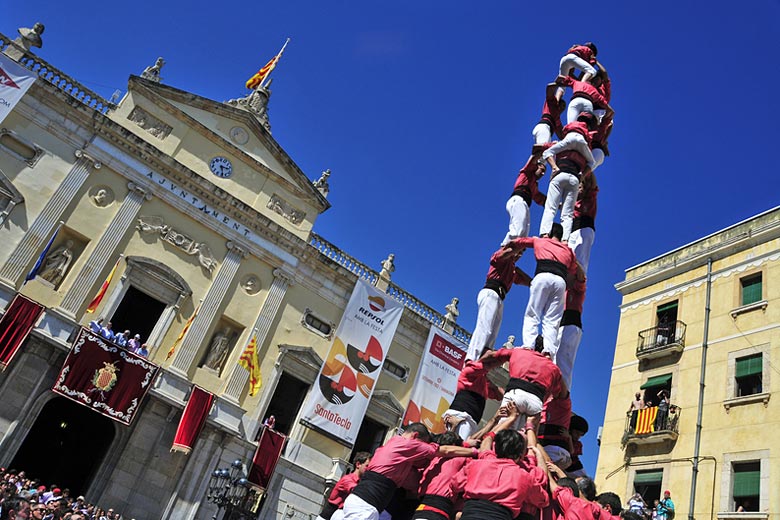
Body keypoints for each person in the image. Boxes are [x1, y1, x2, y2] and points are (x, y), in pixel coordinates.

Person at [341, 423, 477, 520]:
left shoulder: (393, 443)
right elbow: (444, 451)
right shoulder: (408, 444)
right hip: (365, 504)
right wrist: (474, 451)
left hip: (361, 500)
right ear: (415, 436)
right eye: (423, 443)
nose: (422, 448)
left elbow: (413, 480)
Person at [510, 224, 583, 356]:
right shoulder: (569, 251)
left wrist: (511, 244)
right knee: (552, 319)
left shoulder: (541, 241)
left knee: (533, 313)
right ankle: (548, 350)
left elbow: (522, 242)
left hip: (542, 276)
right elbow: (573, 269)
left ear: (549, 233)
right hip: (560, 282)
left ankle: (528, 345)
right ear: (561, 237)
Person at [450, 430, 548, 520]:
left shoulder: (475, 465)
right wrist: (538, 455)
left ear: (495, 448)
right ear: (521, 454)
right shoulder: (525, 477)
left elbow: (455, 484)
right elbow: (543, 500)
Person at [465, 245, 531, 362]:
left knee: (493, 333)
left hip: (499, 298)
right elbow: (500, 255)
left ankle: (482, 358)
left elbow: (527, 281)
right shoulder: (502, 258)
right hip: (491, 292)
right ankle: (471, 358)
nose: (519, 255)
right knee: (484, 327)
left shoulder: (512, 269)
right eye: (518, 251)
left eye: (521, 253)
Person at [539, 115, 597, 241]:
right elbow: (591, 163)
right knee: (568, 214)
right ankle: (565, 240)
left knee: (551, 207)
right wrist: (582, 176)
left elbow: (546, 152)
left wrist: (554, 167)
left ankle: (544, 233)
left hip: (561, 173)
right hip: (575, 178)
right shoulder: (585, 135)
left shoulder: (564, 138)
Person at [492, 343, 567, 431]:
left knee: (503, 431)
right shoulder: (554, 368)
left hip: (516, 394)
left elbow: (495, 355)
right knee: (522, 436)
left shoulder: (520, 352)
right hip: (536, 401)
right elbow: (558, 392)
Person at [442, 350, 504, 439]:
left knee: (458, 446)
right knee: (456, 447)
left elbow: (502, 396)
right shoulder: (468, 371)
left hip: (470, 419)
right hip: (461, 416)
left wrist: (493, 386)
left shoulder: (485, 382)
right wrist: (504, 357)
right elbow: (485, 366)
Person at [412, 432, 469, 520]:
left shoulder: (431, 459)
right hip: (438, 512)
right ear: (455, 446)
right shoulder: (461, 460)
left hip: (421, 511)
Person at [502, 152, 547, 247]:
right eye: (541, 170)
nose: (542, 174)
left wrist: (561, 205)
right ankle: (504, 247)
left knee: (523, 235)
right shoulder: (526, 173)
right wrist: (545, 150)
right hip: (518, 199)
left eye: (544, 172)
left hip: (525, 204)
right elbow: (534, 158)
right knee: (517, 230)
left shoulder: (534, 186)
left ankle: (512, 256)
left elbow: (542, 200)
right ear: (537, 166)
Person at [316, 452, 371, 520]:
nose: (369, 470)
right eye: (367, 466)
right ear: (358, 464)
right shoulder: (347, 479)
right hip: (329, 516)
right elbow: (356, 490)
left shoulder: (360, 482)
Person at [556, 272, 586, 389]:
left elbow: (581, 278)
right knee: (556, 360)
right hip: (561, 323)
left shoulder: (578, 289)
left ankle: (563, 393)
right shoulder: (561, 289)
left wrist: (573, 262)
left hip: (571, 322)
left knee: (563, 362)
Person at [567, 173, 598, 274]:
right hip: (572, 231)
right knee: (569, 257)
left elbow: (593, 184)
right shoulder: (571, 203)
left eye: (581, 186)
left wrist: (589, 169)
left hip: (585, 227)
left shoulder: (590, 197)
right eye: (577, 187)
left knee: (580, 256)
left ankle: (580, 279)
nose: (579, 188)